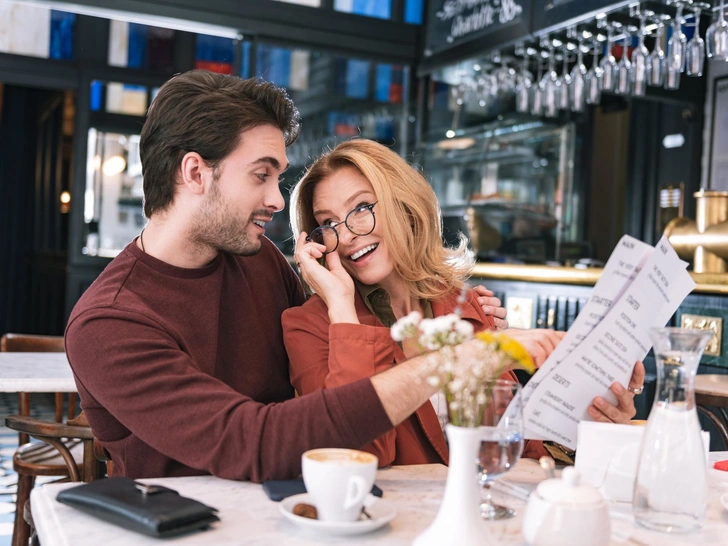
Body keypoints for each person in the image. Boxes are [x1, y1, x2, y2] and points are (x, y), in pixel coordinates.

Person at [63, 70, 509, 483]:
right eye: (261, 175)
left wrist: (465, 317)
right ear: (195, 172)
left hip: (296, 509)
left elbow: (321, 374)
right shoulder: (109, 322)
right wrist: (448, 363)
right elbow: (251, 443)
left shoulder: (257, 260)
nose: (277, 200)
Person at [282, 139, 646, 467]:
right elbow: (355, 457)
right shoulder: (308, 326)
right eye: (327, 223)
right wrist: (343, 308)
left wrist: (594, 419)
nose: (344, 236)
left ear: (406, 207)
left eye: (361, 207)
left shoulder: (462, 303)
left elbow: (515, 438)